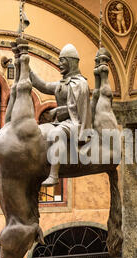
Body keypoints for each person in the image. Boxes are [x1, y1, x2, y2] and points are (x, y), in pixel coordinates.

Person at [30, 44, 92, 186]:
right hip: (61, 122)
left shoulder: (80, 84)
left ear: (71, 62)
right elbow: (43, 86)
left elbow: (80, 110)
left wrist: (58, 111)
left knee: (56, 134)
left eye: (62, 60)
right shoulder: (61, 84)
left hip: (76, 123)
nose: (59, 64)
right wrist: (26, 65)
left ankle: (54, 175)